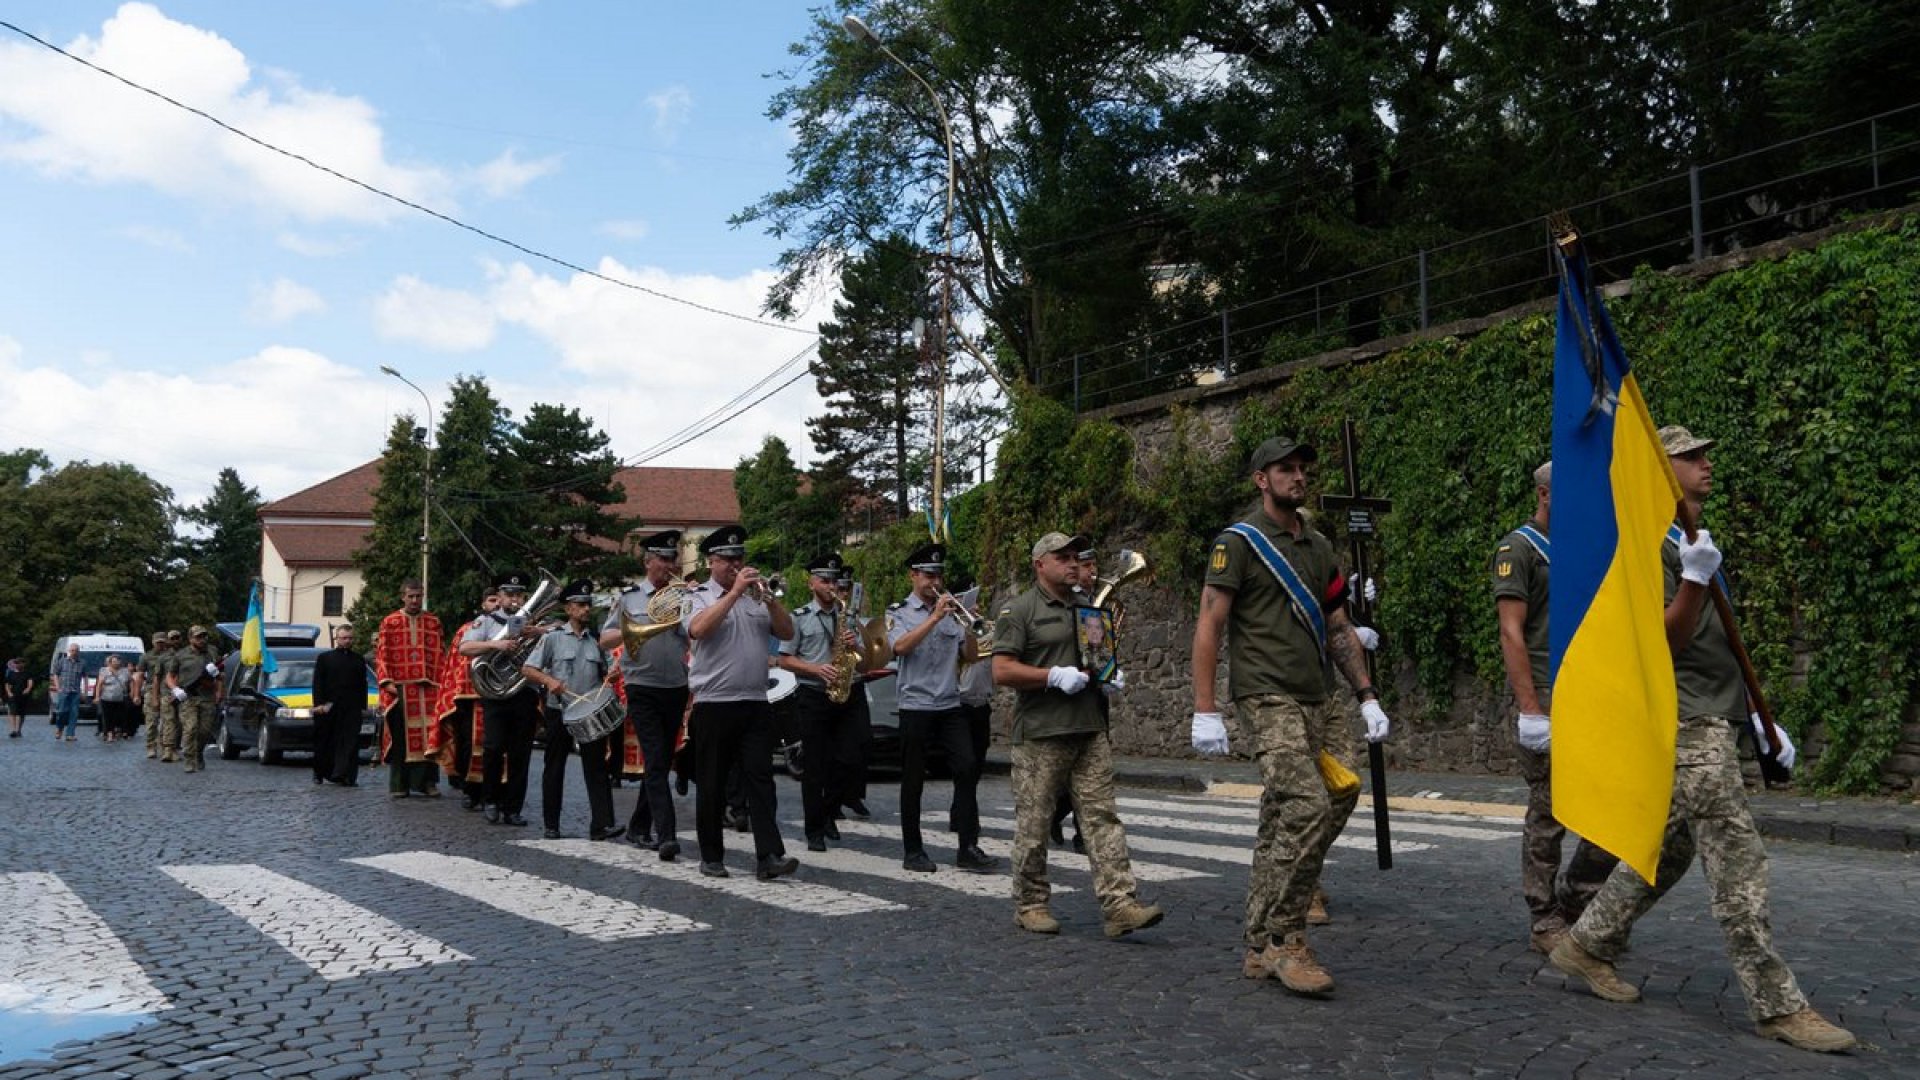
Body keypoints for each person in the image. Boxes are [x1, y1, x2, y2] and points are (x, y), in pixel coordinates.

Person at [1548, 426, 1856, 1053]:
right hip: (1684, 723)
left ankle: (1585, 943)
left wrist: (1759, 717)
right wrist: (1691, 579)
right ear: (1661, 474)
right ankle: (1778, 1006)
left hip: (1715, 714)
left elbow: (1719, 644)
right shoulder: (1648, 548)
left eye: (1704, 454)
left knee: (1670, 849)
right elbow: (1663, 642)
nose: (1706, 465)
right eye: (1691, 457)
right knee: (1737, 858)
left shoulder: (1691, 541)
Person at [1189, 435, 1392, 997]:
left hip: (1319, 696)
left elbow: (1338, 627)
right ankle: (1285, 938)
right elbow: (1210, 623)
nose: (1298, 477)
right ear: (1262, 479)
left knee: (1328, 797)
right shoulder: (1239, 543)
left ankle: (1258, 941)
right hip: (1266, 695)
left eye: (1303, 469)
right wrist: (1205, 709)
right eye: (1285, 469)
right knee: (1304, 804)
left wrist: (1367, 695)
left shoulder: (1320, 547)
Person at [994, 531, 1164, 939]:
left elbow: (1098, 658)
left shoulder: (1088, 608)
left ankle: (1120, 904)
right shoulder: (1020, 610)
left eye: (1075, 556)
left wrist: (1108, 677)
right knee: (1034, 825)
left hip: (1089, 727)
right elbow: (1001, 670)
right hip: (1041, 734)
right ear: (1040, 565)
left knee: (1103, 819)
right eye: (1062, 557)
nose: (1073, 563)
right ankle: (1030, 904)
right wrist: (1051, 676)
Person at [1492, 460, 1619, 955]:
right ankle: (1543, 914)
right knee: (1548, 811)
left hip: (1586, 692)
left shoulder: (1582, 549)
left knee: (1605, 807)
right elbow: (1511, 630)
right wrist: (1529, 709)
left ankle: (1577, 901)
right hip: (1544, 694)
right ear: (1545, 494)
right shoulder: (1519, 549)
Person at [681, 524, 799, 881]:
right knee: (713, 783)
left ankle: (769, 857)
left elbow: (787, 632)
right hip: (714, 703)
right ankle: (712, 855)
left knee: (761, 780)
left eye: (740, 558)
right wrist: (732, 593)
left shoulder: (757, 597)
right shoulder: (696, 596)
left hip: (754, 701)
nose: (736, 564)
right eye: (728, 559)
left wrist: (771, 598)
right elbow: (698, 630)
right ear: (711, 562)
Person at [886, 543, 996, 874]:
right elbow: (901, 647)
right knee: (914, 779)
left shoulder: (952, 611)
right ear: (913, 576)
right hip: (916, 705)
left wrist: (969, 624)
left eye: (939, 574)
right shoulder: (898, 612)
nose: (935, 580)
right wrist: (934, 618)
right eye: (929, 574)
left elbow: (972, 656)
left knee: (967, 767)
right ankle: (913, 850)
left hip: (949, 704)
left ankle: (967, 845)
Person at [599, 530, 691, 860]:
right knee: (654, 760)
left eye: (673, 559)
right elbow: (605, 638)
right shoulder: (629, 597)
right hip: (642, 686)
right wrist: (630, 630)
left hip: (676, 686)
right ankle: (666, 835)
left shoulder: (683, 596)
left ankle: (639, 825)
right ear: (648, 561)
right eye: (664, 559)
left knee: (662, 761)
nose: (670, 565)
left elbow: (695, 636)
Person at [777, 552, 872, 853]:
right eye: (824, 580)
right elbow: (784, 659)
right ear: (811, 584)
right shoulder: (799, 617)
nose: (831, 585)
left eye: (834, 580)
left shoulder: (849, 617)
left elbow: (867, 665)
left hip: (849, 692)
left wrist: (856, 645)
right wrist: (816, 669)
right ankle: (814, 828)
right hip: (814, 695)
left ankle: (830, 809)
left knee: (851, 758)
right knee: (815, 766)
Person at [525, 579, 623, 841]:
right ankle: (551, 825)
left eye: (588, 604)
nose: (586, 609)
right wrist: (549, 681)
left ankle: (602, 825)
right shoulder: (552, 638)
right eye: (580, 604)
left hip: (589, 713)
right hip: (559, 711)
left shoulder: (596, 640)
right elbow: (528, 668)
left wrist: (612, 674)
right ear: (568, 609)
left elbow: (608, 670)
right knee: (554, 767)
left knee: (597, 768)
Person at [461, 571, 544, 827]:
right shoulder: (485, 621)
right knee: (494, 748)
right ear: (499, 596)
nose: (514, 599)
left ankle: (513, 808)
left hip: (524, 694)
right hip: (496, 695)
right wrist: (496, 646)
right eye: (509, 594)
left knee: (520, 754)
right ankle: (491, 800)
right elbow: (464, 648)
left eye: (519, 595)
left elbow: (554, 639)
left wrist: (539, 632)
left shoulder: (532, 621)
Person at [376, 581, 445, 799]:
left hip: (429, 689)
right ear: (402, 597)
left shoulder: (433, 621)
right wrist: (387, 682)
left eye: (418, 596)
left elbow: (440, 653)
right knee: (401, 738)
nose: (415, 600)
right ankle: (399, 784)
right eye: (411, 596)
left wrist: (443, 683)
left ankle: (428, 783)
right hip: (401, 690)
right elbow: (382, 653)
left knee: (430, 737)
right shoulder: (390, 622)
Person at [436, 589, 501, 805]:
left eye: (498, 600)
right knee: (467, 744)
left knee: (496, 746)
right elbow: (454, 666)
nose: (496, 604)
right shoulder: (467, 630)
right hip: (468, 698)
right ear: (483, 604)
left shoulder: (512, 629)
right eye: (492, 600)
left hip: (499, 697)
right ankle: (470, 790)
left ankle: (495, 791)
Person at [833, 567, 874, 820]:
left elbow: (867, 655)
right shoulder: (827, 616)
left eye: (846, 589)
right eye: (840, 588)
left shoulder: (854, 617)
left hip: (856, 683)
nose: (843, 593)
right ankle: (834, 799)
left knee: (863, 742)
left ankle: (854, 794)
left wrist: (857, 644)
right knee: (836, 748)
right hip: (834, 684)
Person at [312, 623, 369, 786]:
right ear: (337, 638)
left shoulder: (358, 659)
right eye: (344, 638)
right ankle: (319, 773)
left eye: (350, 638)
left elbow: (362, 684)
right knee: (326, 740)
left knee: (350, 742)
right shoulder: (325, 658)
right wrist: (319, 704)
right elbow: (318, 683)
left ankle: (346, 775)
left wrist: (363, 706)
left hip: (351, 707)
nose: (347, 641)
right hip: (329, 706)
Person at [166, 626, 225, 772]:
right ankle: (189, 759)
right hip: (188, 698)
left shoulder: (212, 652)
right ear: (190, 638)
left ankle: (198, 753)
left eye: (204, 636)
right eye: (198, 637)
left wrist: (219, 689)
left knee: (204, 731)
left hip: (207, 697)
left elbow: (219, 674)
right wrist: (175, 689)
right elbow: (170, 676)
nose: (202, 640)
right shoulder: (181, 655)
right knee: (190, 728)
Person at [156, 630, 186, 762]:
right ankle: (167, 749)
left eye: (177, 638)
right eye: (172, 638)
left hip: (184, 693)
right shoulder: (163, 657)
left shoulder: (186, 655)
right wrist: (154, 697)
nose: (175, 640)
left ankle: (175, 748)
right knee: (168, 721)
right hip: (167, 693)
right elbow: (157, 678)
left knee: (180, 723)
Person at [136, 632, 166, 757]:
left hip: (166, 690)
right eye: (158, 642)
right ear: (153, 642)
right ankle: (151, 746)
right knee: (151, 721)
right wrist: (136, 694)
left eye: (162, 642)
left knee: (167, 721)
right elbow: (140, 675)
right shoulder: (146, 657)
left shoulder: (171, 655)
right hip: (150, 689)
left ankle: (165, 746)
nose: (160, 644)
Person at [93, 654, 135, 742]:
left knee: (118, 716)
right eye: (114, 661)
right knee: (107, 717)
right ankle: (109, 734)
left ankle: (118, 732)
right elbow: (99, 684)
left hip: (120, 698)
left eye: (118, 661)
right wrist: (97, 696)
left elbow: (131, 681)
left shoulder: (125, 671)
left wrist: (132, 692)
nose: (116, 663)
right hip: (106, 698)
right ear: (110, 662)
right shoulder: (104, 671)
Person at [50, 642, 84, 742]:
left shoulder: (82, 663)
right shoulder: (62, 661)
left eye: (76, 651)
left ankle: (70, 734)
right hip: (64, 690)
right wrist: (57, 687)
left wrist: (84, 691)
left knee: (74, 713)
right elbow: (55, 674)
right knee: (62, 712)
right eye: (72, 650)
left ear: (78, 652)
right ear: (69, 651)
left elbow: (84, 676)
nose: (74, 652)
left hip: (75, 691)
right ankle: (59, 728)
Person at [3, 657, 32, 738]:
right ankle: (13, 730)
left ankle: (19, 730)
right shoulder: (10, 673)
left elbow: (30, 682)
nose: (17, 664)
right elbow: (7, 684)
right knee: (12, 713)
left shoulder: (27, 673)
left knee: (21, 714)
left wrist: (28, 688)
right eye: (16, 663)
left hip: (23, 696)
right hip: (13, 696)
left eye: (19, 663)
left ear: (23, 664)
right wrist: (9, 692)